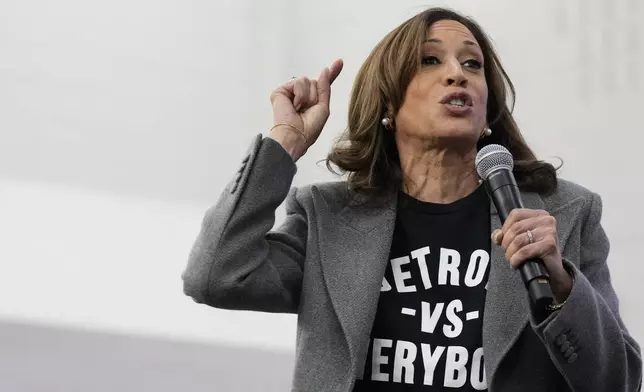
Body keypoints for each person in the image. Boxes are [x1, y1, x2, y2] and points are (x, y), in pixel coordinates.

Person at [181, 7, 642, 392]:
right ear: (387, 105)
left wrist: (562, 285)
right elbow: (216, 276)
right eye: (429, 61)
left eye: (472, 64)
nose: (456, 74)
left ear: (488, 111)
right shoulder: (328, 219)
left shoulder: (564, 214)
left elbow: (619, 380)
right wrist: (285, 142)